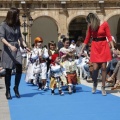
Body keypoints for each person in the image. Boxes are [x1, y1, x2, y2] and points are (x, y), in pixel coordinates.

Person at [79, 13, 115, 96]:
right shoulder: (91, 26)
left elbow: (109, 36)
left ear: (93, 20)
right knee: (94, 68)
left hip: (103, 46)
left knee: (103, 68)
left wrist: (112, 48)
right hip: (95, 46)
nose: (89, 24)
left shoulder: (105, 24)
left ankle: (103, 87)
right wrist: (81, 49)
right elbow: (87, 38)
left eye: (90, 22)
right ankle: (95, 84)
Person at [0, 7, 29, 99]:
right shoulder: (3, 25)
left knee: (19, 68)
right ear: (11, 15)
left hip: (16, 48)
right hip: (8, 49)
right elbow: (2, 38)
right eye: (16, 15)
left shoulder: (17, 25)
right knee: (8, 70)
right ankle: (7, 90)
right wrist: (10, 45)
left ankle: (16, 88)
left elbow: (20, 37)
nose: (18, 16)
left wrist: (25, 46)